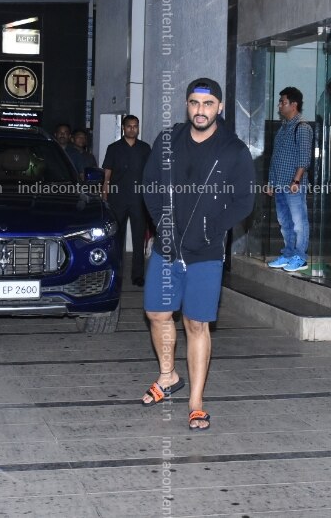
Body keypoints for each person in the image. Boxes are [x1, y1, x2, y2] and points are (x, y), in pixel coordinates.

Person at [140, 78, 255, 431]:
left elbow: (245, 201)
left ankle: (195, 402)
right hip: (168, 248)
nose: (200, 110)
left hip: (205, 253)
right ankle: (168, 376)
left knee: (196, 323)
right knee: (157, 313)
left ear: (219, 107)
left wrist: (210, 228)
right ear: (187, 106)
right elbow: (150, 185)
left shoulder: (233, 150)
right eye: (194, 103)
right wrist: (163, 224)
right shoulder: (167, 141)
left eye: (207, 104)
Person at [266, 86, 313, 273]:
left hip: (293, 185)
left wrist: (296, 181)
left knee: (299, 222)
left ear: (293, 105)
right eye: (280, 102)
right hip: (279, 184)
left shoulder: (302, 128)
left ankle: (300, 258)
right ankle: (288, 254)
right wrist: (271, 183)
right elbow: (275, 158)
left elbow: (304, 158)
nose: (279, 106)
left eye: (282, 102)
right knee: (285, 222)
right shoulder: (283, 128)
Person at [102, 115, 152, 286]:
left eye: (135, 126)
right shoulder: (114, 148)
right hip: (118, 199)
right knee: (116, 239)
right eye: (129, 126)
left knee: (139, 239)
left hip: (139, 199)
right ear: (123, 128)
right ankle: (116, 275)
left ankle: (137, 275)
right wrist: (104, 195)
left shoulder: (145, 148)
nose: (132, 129)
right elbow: (107, 174)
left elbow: (150, 174)